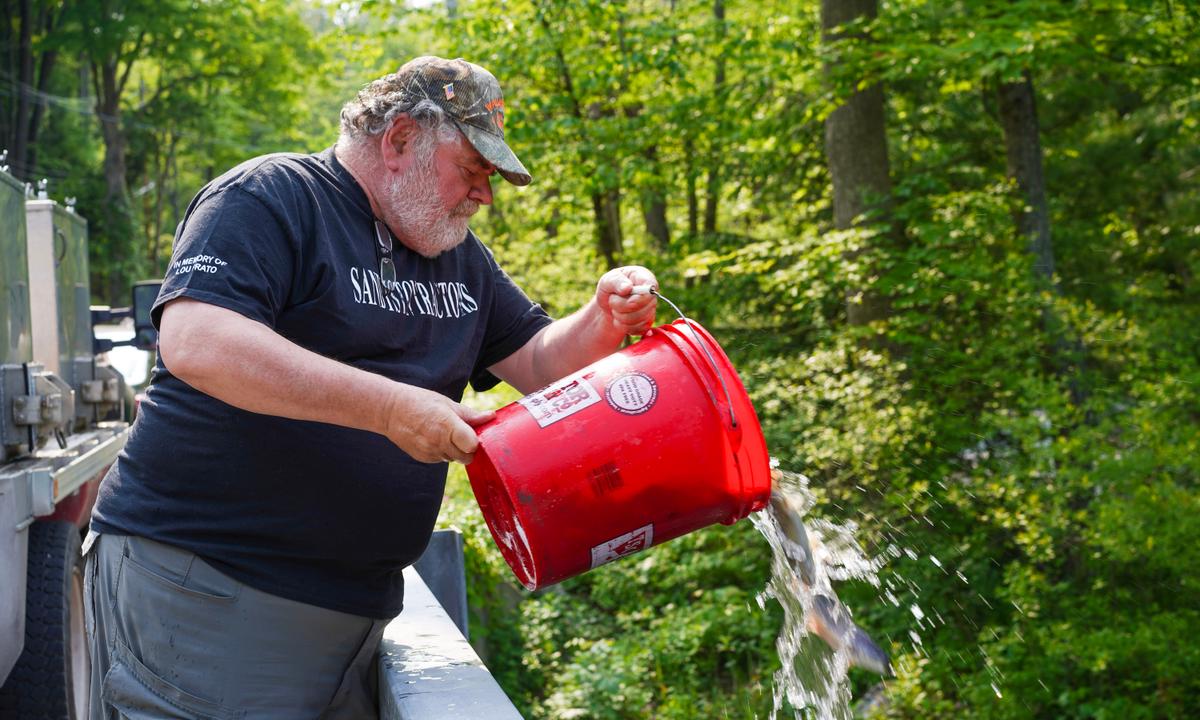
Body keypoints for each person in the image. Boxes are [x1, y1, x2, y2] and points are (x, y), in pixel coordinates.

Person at [84, 56, 657, 719]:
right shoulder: (270, 196)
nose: (486, 195)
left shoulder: (459, 257)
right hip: (212, 587)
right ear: (400, 141)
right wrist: (389, 409)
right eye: (474, 171)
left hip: (354, 609)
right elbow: (198, 340)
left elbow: (539, 366)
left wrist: (602, 319)